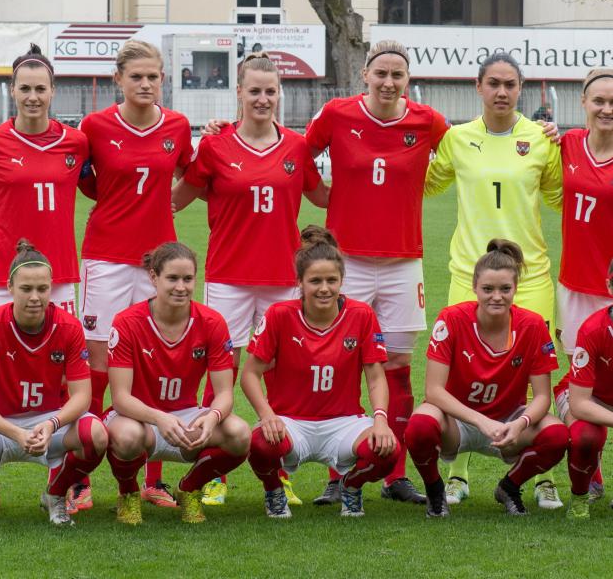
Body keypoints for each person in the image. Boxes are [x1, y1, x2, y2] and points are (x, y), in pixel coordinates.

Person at [172, 52, 327, 505]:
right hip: (229, 277)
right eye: (254, 90)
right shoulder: (216, 147)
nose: (263, 99)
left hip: (282, 278)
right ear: (238, 92)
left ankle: (275, 471)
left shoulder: (297, 148)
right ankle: (215, 469)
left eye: (270, 91)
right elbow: (175, 200)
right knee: (220, 371)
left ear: (280, 94)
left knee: (280, 374)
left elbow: (326, 197)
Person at [304, 40, 450, 505]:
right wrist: (323, 196)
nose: (389, 82)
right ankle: (338, 469)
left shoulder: (427, 120)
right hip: (345, 263)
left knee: (398, 368)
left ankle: (395, 474)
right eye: (381, 73)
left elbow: (471, 149)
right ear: (365, 74)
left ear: (408, 80)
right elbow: (295, 153)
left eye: (398, 75)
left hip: (403, 262)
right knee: (340, 364)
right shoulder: (337, 114)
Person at [425, 51, 564, 509]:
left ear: (520, 89)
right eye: (494, 83)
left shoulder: (542, 140)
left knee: (528, 380)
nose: (502, 92)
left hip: (532, 276)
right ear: (478, 87)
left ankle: (534, 475)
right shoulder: (457, 139)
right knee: (463, 373)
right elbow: (423, 183)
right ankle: (457, 472)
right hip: (469, 273)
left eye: (510, 84)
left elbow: (563, 196)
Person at [77, 40, 194, 511]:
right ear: (118, 80)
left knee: (156, 361)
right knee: (99, 362)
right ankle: (80, 477)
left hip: (158, 262)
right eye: (137, 77)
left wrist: (168, 205)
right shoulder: (95, 126)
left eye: (154, 76)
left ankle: (153, 478)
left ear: (163, 78)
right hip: (105, 257)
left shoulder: (179, 126)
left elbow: (195, 176)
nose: (146, 84)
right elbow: (86, 181)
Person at [241, 226, 399, 518]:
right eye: (315, 281)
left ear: (342, 281)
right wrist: (267, 415)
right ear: (299, 282)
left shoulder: (361, 314)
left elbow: (376, 376)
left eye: (331, 280)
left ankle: (351, 486)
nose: (324, 288)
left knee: (386, 448)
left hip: (343, 423)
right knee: (260, 442)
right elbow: (249, 373)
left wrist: (380, 420)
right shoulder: (278, 315)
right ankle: (274, 491)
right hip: (291, 422)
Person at [405, 240, 568, 517]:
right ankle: (435, 491)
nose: (497, 296)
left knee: (556, 435)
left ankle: (509, 487)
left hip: (508, 423)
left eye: (505, 289)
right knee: (420, 425)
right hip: (458, 421)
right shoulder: (452, 318)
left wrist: (520, 423)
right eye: (488, 289)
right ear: (474, 287)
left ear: (516, 288)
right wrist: (481, 421)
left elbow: (542, 396)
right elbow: (433, 390)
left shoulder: (532, 325)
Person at [105, 242, 251, 525]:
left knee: (239, 434)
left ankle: (189, 489)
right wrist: (159, 418)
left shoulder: (212, 321)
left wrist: (212, 417)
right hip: (138, 417)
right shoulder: (127, 322)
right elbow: (121, 397)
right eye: (172, 278)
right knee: (126, 438)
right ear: (153, 277)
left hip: (186, 417)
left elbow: (224, 393)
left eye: (187, 279)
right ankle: (129, 493)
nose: (181, 287)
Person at [0, 240, 107, 525]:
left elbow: (82, 395)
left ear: (51, 288)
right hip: (2, 424)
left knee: (96, 435)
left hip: (49, 423)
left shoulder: (69, 327)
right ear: (9, 287)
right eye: (26, 289)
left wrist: (50, 424)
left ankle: (55, 494)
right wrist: (16, 433)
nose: (35, 297)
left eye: (42, 289)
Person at [0, 43, 92, 313]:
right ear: (12, 89)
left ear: (53, 91)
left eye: (40, 89)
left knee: (60, 352)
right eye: (25, 89)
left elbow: (99, 188)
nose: (33, 97)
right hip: (4, 274)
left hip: (58, 273)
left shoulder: (76, 142)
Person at [556, 68, 613, 501]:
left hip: (611, 288)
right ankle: (589, 472)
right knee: (584, 378)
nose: (607, 109)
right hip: (575, 284)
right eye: (599, 101)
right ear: (584, 103)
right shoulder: (568, 143)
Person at [553, 260, 613, 519]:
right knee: (585, 435)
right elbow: (579, 403)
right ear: (610, 286)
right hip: (586, 396)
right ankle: (580, 498)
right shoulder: (593, 329)